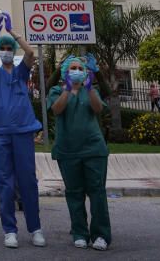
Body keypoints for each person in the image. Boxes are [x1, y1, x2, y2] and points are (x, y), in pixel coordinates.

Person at [0, 11, 45, 249]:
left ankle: (35, 228)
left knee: (28, 181)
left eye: (9, 47)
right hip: (0, 133)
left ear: (13, 50)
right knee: (4, 182)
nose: (6, 50)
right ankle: (9, 230)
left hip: (23, 131)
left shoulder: (21, 72)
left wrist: (13, 32)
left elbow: (30, 53)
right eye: (2, 47)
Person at [49, 56, 111, 251]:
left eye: (80, 68)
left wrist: (90, 87)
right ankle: (80, 233)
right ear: (66, 72)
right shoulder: (57, 90)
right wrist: (69, 90)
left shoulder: (91, 90)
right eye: (73, 68)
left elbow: (98, 108)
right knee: (74, 194)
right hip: (68, 152)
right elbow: (57, 110)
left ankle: (101, 235)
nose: (76, 70)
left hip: (94, 150)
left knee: (97, 193)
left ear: (85, 72)